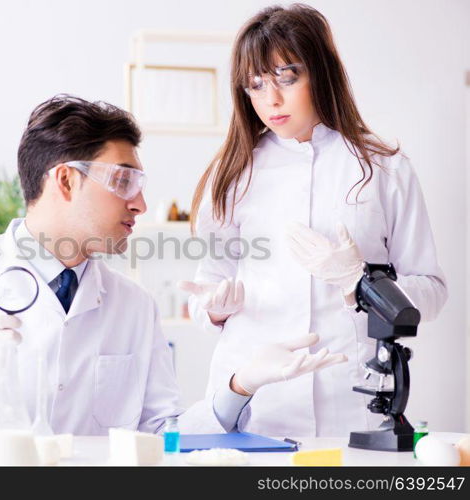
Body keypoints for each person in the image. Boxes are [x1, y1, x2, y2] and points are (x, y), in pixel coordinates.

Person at [0, 94, 345, 437]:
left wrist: (239, 385)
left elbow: (162, 435)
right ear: (65, 181)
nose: (140, 204)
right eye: (124, 182)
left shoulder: (132, 307)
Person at [179, 4, 447, 438]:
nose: (271, 99)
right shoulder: (232, 173)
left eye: (287, 77)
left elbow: (431, 292)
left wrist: (358, 284)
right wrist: (212, 309)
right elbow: (207, 283)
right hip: (255, 404)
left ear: (321, 72)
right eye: (256, 84)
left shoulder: (383, 167)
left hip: (351, 404)